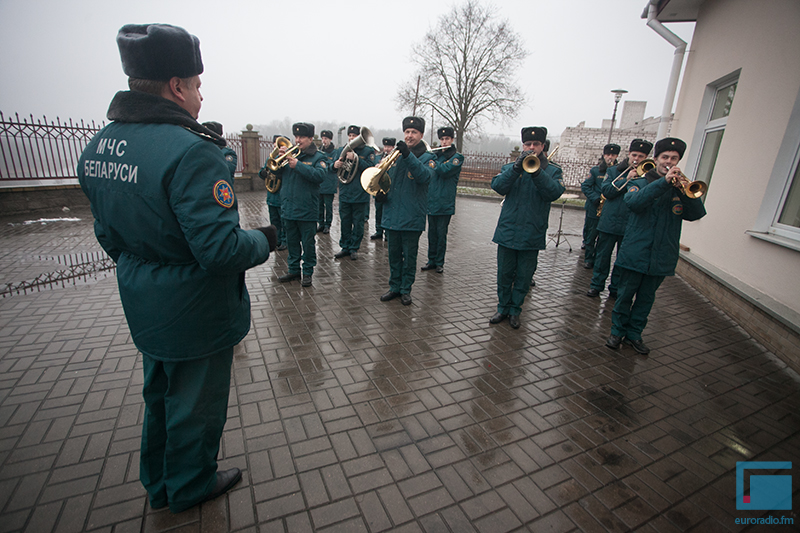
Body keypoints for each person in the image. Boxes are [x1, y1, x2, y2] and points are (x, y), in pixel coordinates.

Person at [78, 24, 277, 514]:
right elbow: (220, 251)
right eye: (197, 84)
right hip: (195, 310)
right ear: (176, 87)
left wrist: (143, 269)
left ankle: (158, 482)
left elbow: (107, 234)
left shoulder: (100, 147)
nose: (201, 95)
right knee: (196, 405)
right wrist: (266, 240)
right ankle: (189, 485)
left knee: (160, 396)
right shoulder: (192, 151)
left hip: (143, 301)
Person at [606, 137, 706, 354]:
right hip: (635, 252)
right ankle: (616, 332)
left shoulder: (680, 188)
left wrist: (682, 190)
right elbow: (634, 203)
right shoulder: (639, 182)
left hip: (661, 255)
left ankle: (634, 334)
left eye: (674, 158)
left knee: (646, 299)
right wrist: (663, 183)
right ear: (656, 159)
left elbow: (697, 213)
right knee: (624, 296)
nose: (669, 161)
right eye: (665, 157)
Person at [489, 126, 565, 329]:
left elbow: (554, 192)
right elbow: (497, 186)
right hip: (507, 230)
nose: (531, 147)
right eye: (528, 144)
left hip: (532, 231)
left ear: (542, 146)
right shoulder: (510, 167)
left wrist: (537, 171)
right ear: (523, 145)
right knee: (504, 274)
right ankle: (502, 307)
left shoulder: (553, 170)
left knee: (523, 277)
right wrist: (515, 169)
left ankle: (515, 311)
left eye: (536, 144)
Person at [379, 116, 435, 306]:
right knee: (393, 256)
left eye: (414, 132)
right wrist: (380, 194)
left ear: (421, 134)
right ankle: (394, 287)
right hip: (392, 215)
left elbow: (424, 177)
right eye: (407, 132)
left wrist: (407, 155)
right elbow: (386, 181)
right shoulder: (394, 156)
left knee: (409, 257)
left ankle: (405, 289)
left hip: (412, 217)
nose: (409, 136)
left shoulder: (428, 157)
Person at [587, 139, 653, 298]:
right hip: (609, 221)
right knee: (602, 256)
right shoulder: (614, 170)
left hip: (630, 223)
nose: (636, 159)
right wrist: (627, 179)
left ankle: (615, 288)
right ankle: (596, 285)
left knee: (622, 259)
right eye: (634, 155)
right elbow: (607, 191)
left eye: (641, 156)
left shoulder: (648, 175)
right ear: (629, 154)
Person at [276, 122, 328, 287]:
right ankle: (293, 270)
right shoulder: (289, 154)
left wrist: (298, 165)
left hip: (307, 209)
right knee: (292, 242)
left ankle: (307, 272)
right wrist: (279, 158)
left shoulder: (318, 157)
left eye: (302, 137)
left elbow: (319, 176)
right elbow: (272, 172)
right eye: (296, 136)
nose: (298, 140)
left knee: (308, 243)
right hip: (289, 208)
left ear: (311, 138)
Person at [422, 126, 463, 274]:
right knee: (431, 234)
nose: (444, 142)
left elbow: (445, 171)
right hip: (432, 200)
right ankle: (431, 260)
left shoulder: (457, 157)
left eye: (447, 139)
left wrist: (434, 163)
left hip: (445, 202)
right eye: (442, 139)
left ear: (452, 140)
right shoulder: (435, 155)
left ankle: (440, 262)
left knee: (441, 234)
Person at [332, 125, 375, 261]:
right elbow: (333, 167)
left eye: (354, 136)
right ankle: (345, 246)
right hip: (345, 192)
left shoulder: (368, 151)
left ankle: (354, 248)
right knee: (345, 221)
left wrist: (356, 159)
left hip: (360, 193)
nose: (351, 138)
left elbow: (370, 168)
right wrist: (335, 165)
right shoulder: (342, 150)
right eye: (350, 136)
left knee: (358, 223)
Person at [581, 144, 620, 269]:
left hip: (609, 209)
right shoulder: (596, 170)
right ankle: (588, 258)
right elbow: (586, 186)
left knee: (603, 238)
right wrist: (596, 198)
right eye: (608, 154)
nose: (610, 157)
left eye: (613, 155)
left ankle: (597, 258)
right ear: (604, 155)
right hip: (595, 207)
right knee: (591, 234)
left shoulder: (619, 172)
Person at [260, 134, 287, 251]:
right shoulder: (270, 158)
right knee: (274, 221)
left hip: (281, 194)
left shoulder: (284, 157)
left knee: (283, 221)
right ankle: (277, 240)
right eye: (275, 144)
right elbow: (264, 169)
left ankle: (285, 241)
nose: (276, 146)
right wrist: (262, 173)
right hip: (271, 195)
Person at [370, 137, 395, 241]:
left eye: (389, 146)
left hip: (389, 189)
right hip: (378, 188)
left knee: (388, 212)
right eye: (385, 146)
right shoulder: (378, 158)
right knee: (378, 211)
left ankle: (388, 232)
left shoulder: (395, 159)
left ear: (393, 147)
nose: (386, 149)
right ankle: (379, 230)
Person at [318, 130, 336, 234]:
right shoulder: (319, 151)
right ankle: (320, 223)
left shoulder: (335, 152)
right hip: (320, 183)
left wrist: (328, 165)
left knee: (328, 206)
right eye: (323, 139)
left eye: (326, 139)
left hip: (329, 183)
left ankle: (327, 224)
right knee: (319, 205)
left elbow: (334, 165)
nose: (324, 141)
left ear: (330, 139)